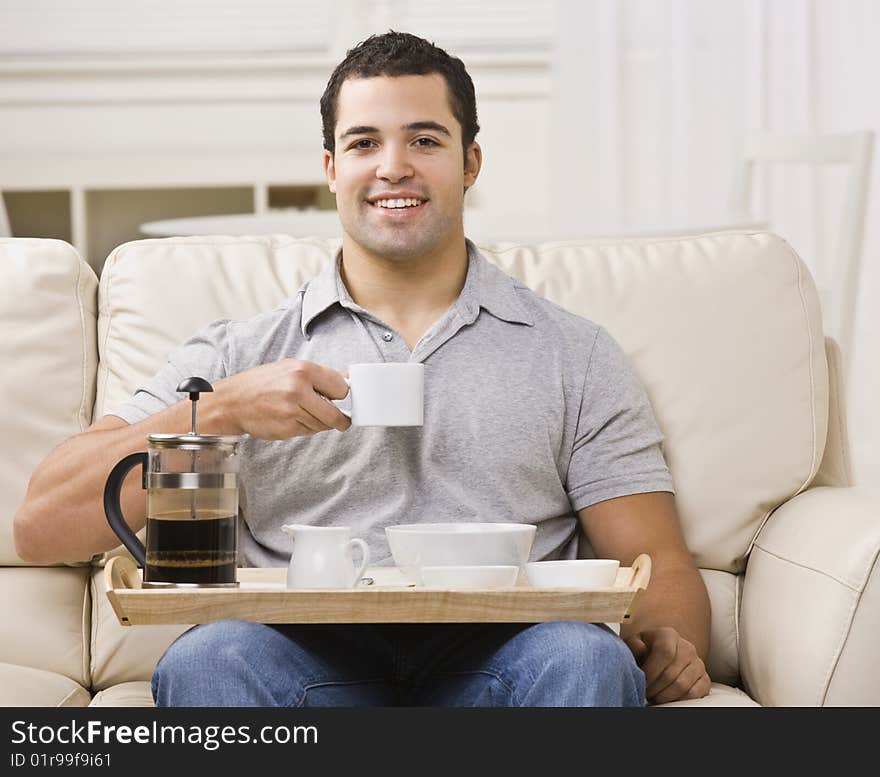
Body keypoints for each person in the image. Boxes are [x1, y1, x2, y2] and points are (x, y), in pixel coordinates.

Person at [13, 31, 711, 707]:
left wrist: (673, 648)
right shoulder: (241, 353)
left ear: (470, 163)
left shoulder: (573, 353)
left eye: (425, 140)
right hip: (296, 659)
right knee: (209, 656)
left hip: (512, 659)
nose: (393, 166)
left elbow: (658, 561)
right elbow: (42, 525)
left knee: (588, 657)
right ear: (330, 170)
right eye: (364, 143)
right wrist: (217, 413)